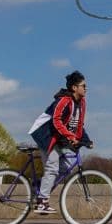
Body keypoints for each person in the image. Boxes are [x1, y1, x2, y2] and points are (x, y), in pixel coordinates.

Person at [29, 70, 93, 214]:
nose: (86, 88)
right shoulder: (64, 100)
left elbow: (79, 125)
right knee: (52, 167)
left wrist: (86, 140)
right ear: (74, 88)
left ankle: (38, 187)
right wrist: (70, 136)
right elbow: (56, 120)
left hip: (59, 137)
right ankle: (42, 202)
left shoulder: (82, 103)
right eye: (83, 85)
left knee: (67, 166)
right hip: (46, 135)